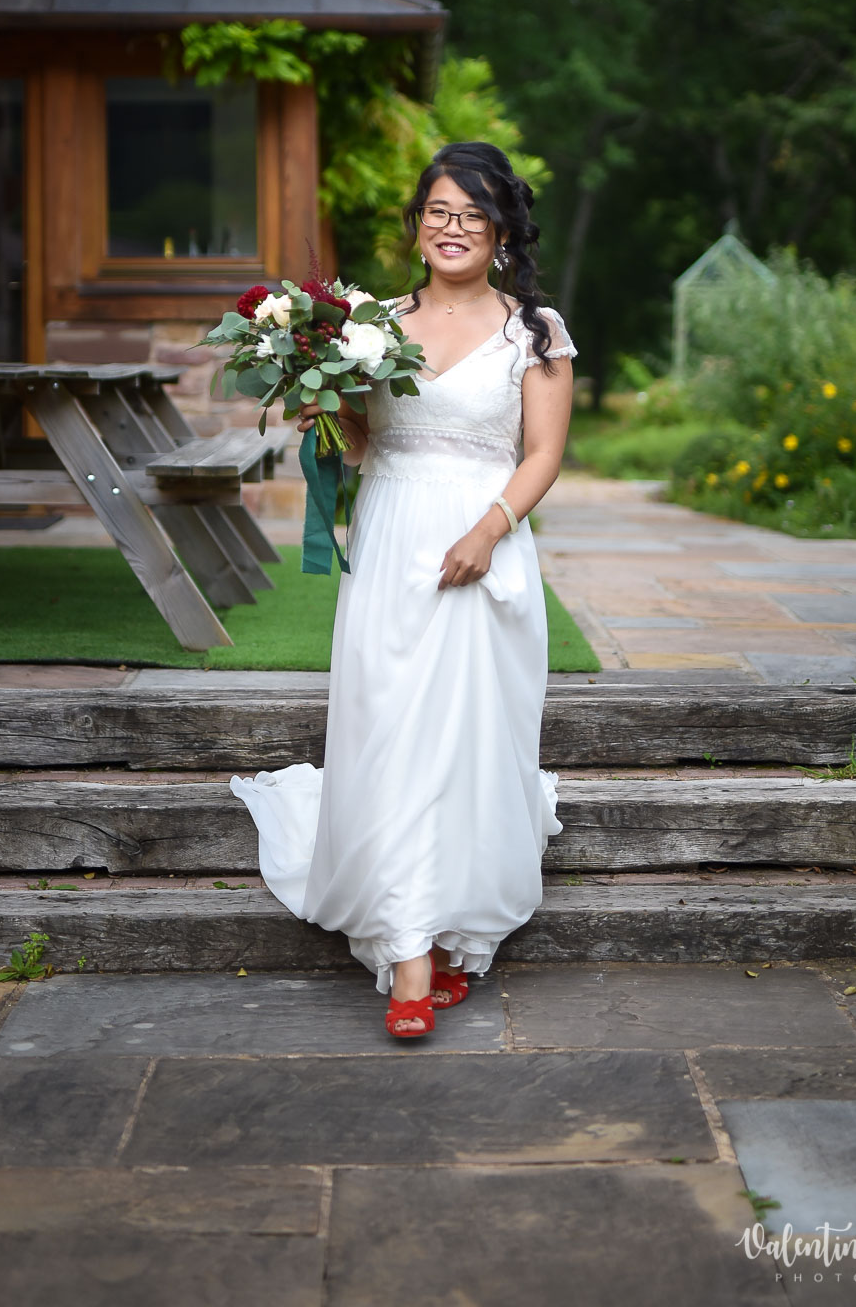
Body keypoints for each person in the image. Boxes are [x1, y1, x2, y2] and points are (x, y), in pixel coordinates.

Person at [231, 141, 576, 1039]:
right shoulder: (369, 323)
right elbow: (361, 442)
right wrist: (323, 408)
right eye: (438, 212)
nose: (451, 228)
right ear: (417, 226)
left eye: (471, 215)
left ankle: (448, 932)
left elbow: (542, 454)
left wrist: (488, 532)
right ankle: (409, 958)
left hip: (483, 541)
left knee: (468, 738)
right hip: (392, 542)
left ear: (499, 230)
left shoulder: (535, 330)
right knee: (390, 728)